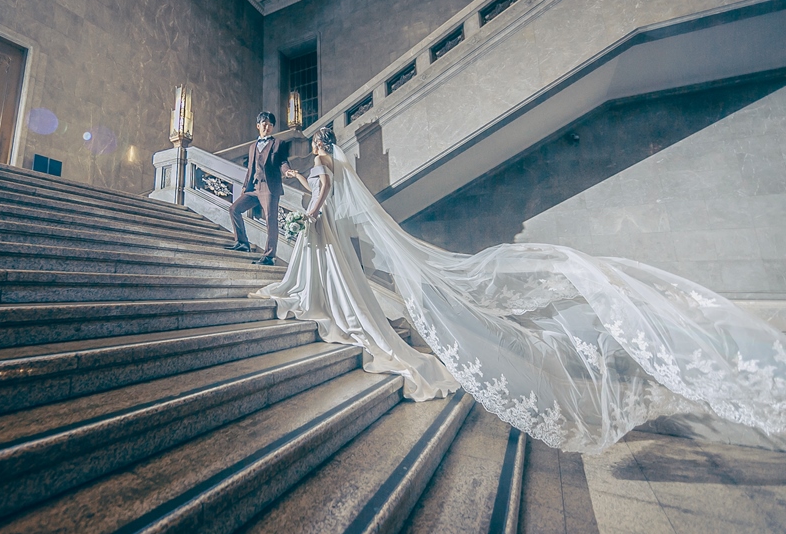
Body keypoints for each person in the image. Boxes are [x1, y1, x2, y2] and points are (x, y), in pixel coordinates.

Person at [256, 126, 786, 454]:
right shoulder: (334, 164)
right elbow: (323, 188)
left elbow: (323, 190)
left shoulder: (326, 163)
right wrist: (309, 198)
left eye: (315, 146)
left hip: (316, 222)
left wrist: (310, 210)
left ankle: (319, 303)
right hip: (317, 224)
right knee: (334, 282)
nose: (313, 153)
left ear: (321, 145)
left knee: (337, 288)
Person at [226, 111, 292, 266]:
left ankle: (269, 256)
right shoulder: (252, 147)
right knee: (234, 209)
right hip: (253, 187)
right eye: (264, 123)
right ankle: (242, 243)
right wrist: (244, 187)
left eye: (270, 124)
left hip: (269, 187)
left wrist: (287, 171)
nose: (267, 127)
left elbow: (282, 161)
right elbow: (250, 169)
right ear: (258, 125)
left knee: (271, 220)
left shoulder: (278, 144)